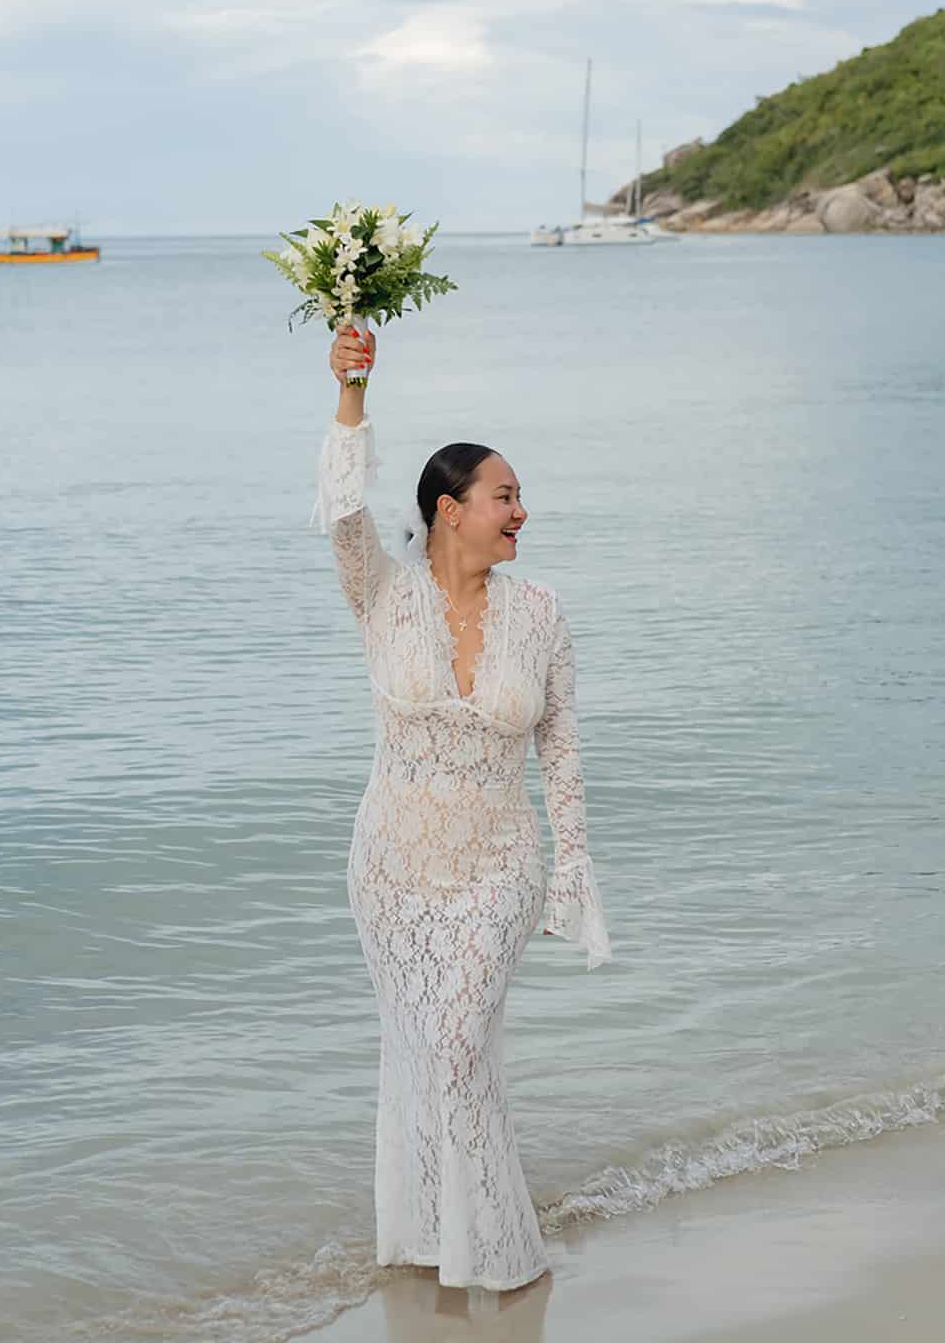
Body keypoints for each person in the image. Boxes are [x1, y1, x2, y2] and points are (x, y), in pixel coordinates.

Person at [311, 319, 611, 1294]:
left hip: (497, 862)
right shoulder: (380, 593)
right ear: (450, 510)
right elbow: (340, 508)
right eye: (505, 495)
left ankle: (500, 1259)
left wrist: (571, 867)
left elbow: (558, 745)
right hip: (392, 866)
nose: (522, 511)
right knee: (420, 1053)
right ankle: (435, 1241)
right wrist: (353, 388)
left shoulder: (543, 614)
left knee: (455, 1040)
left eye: (519, 496)